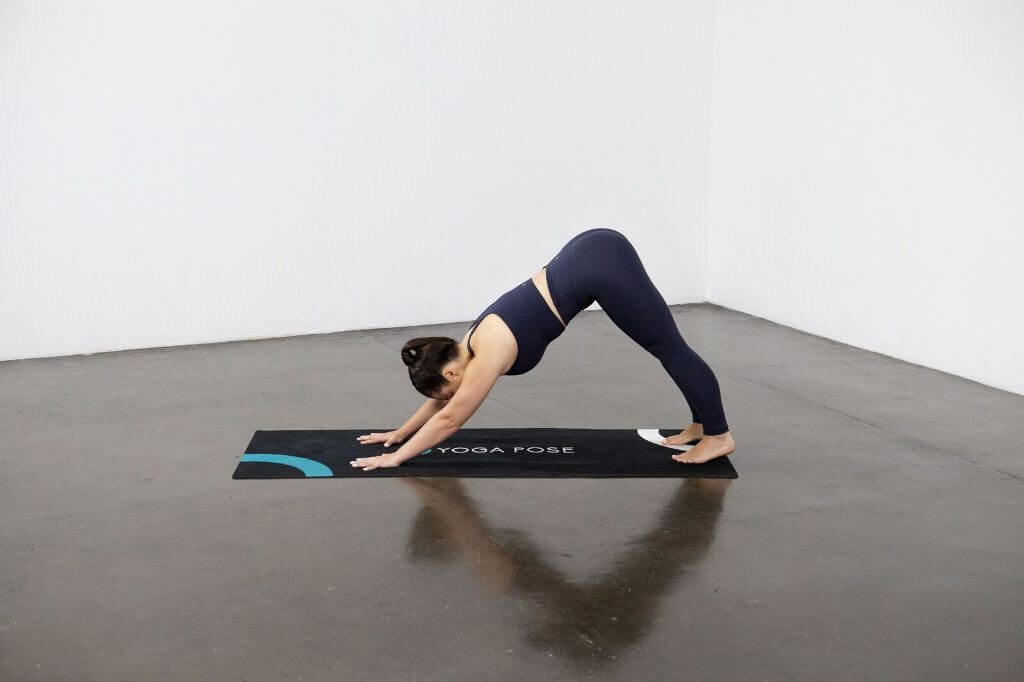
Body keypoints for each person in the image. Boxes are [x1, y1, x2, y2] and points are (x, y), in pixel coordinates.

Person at [350, 228, 735, 471]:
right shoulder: (465, 344)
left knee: (668, 347)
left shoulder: (488, 353)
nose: (451, 398)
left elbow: (450, 419)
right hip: (587, 253)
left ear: (450, 373)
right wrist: (399, 433)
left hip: (599, 264)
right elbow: (443, 402)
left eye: (448, 390)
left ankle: (718, 436)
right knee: (667, 348)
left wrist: (395, 459)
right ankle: (701, 422)